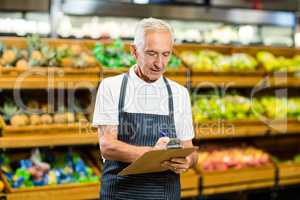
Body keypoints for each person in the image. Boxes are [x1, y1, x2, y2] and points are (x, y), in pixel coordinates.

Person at [92, 17, 198, 200]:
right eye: (151, 53)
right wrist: (154, 154)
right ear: (134, 51)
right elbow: (107, 147)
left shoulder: (179, 93)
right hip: (120, 194)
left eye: (166, 54)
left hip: (165, 194)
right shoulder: (112, 87)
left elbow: (190, 148)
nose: (160, 64)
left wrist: (187, 161)